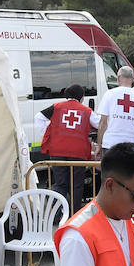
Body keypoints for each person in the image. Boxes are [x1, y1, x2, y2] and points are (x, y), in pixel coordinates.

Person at [39, 84, 94, 212]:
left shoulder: (56, 107)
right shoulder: (87, 111)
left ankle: (56, 214)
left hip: (57, 151)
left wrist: (48, 132)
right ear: (81, 97)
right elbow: (98, 124)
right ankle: (75, 214)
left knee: (60, 183)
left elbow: (39, 117)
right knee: (77, 184)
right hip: (78, 153)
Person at [92, 66, 134, 156]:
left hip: (110, 144)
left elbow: (102, 123)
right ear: (133, 79)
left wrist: (99, 145)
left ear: (118, 78)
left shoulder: (109, 94)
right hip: (132, 145)